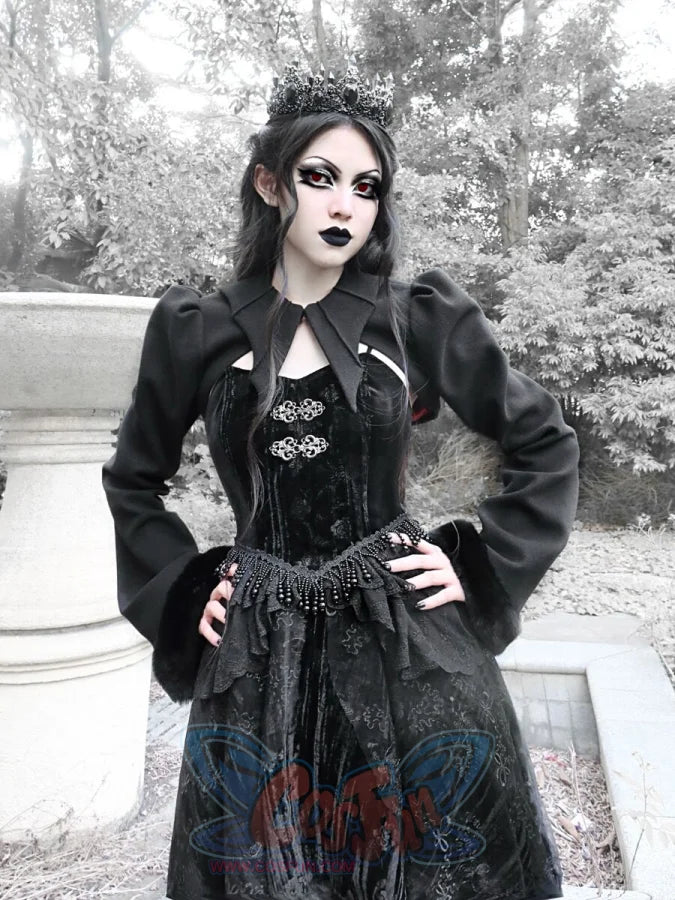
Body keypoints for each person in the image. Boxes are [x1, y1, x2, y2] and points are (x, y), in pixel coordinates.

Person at [102, 62, 579, 900]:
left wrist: (482, 566)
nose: (343, 206)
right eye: (319, 177)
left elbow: (543, 438)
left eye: (365, 187)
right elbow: (134, 479)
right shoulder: (195, 329)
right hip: (258, 661)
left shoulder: (417, 316)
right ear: (269, 183)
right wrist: (181, 591)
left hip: (408, 648)